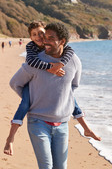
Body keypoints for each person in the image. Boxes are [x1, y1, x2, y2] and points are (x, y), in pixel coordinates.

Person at [4, 21, 100, 157]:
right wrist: (49, 70)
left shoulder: (59, 50)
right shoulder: (31, 49)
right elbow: (30, 63)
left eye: (42, 34)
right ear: (30, 38)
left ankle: (86, 128)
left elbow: (69, 51)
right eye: (34, 35)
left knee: (70, 99)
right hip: (30, 86)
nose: (40, 37)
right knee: (25, 104)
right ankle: (10, 138)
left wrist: (61, 64)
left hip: (59, 114)